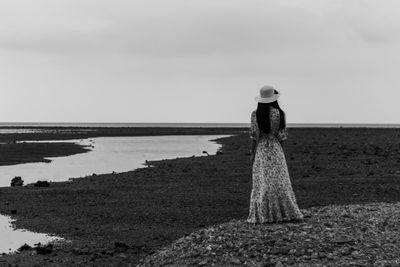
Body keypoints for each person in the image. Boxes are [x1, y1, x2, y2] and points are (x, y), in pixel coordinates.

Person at [247, 85, 303, 223]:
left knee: (263, 182)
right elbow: (282, 136)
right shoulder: (279, 113)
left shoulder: (255, 114)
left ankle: (264, 214)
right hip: (276, 149)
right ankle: (285, 212)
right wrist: (282, 152)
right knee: (280, 180)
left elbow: (254, 136)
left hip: (262, 150)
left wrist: (252, 153)